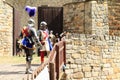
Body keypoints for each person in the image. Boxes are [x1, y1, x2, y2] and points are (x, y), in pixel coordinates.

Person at [19, 6, 42, 74]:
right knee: (29, 56)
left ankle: (29, 68)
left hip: (25, 43)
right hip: (30, 43)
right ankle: (28, 69)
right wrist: (39, 45)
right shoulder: (32, 29)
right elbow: (36, 37)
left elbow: (21, 35)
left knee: (28, 56)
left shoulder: (25, 28)